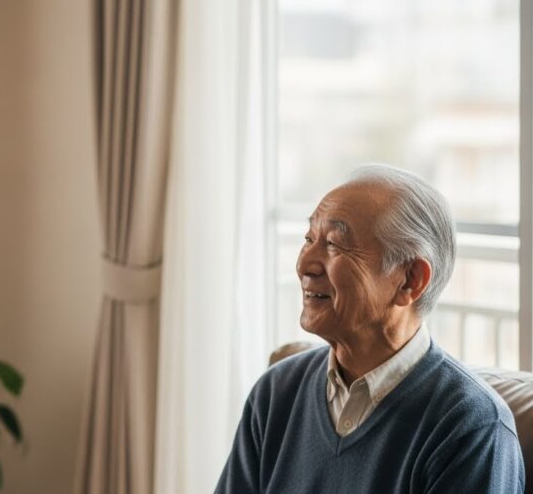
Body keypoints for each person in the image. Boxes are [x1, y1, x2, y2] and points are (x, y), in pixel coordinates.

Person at [216, 165, 524, 493]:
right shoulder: (276, 391)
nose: (304, 265)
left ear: (410, 280)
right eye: (309, 239)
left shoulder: (472, 428)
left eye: (334, 244)